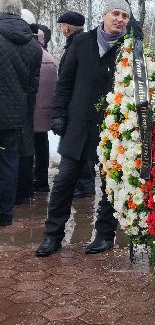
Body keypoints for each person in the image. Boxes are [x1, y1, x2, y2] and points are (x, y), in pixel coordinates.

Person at [35, 0, 131, 257]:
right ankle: (53, 235)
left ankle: (104, 234)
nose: (119, 19)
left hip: (112, 129)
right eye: (115, 13)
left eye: (124, 16)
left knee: (110, 185)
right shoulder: (82, 42)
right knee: (64, 181)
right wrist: (58, 114)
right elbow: (64, 82)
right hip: (78, 125)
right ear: (104, 15)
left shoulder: (130, 48)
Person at [0, 0, 42, 226]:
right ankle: (5, 214)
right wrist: (26, 113)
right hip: (16, 116)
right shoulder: (33, 46)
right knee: (9, 162)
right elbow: (32, 86)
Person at [57, 10, 94, 196]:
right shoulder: (76, 44)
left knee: (80, 145)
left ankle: (85, 184)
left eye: (62, 26)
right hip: (76, 102)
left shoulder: (77, 45)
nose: (62, 29)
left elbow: (68, 77)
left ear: (67, 27)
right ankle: (83, 183)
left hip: (77, 103)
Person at [32, 26, 57, 193]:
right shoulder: (50, 59)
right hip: (45, 112)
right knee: (42, 145)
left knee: (28, 147)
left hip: (30, 111)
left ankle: (31, 180)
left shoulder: (30, 55)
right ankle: (42, 182)